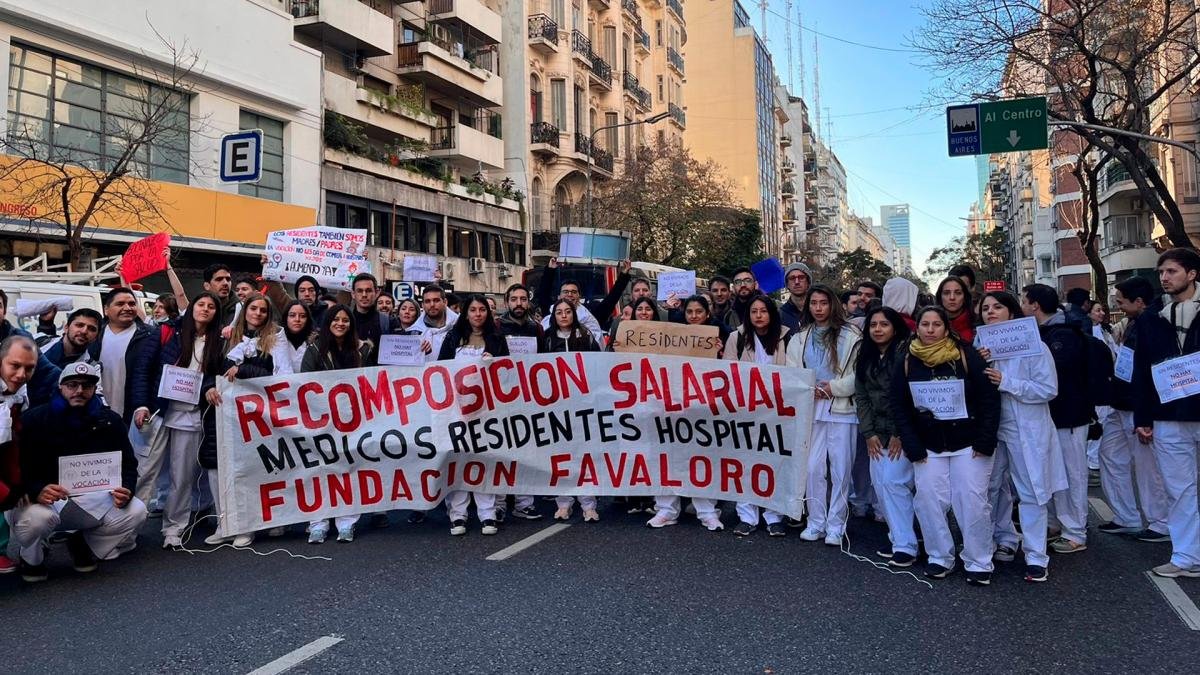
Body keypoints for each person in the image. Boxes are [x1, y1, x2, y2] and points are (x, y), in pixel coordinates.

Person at [892, 305, 1000, 585]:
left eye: (936, 324)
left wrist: (985, 440)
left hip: (969, 443)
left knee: (972, 502)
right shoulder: (906, 360)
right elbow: (899, 407)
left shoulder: (968, 356)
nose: (930, 330)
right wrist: (912, 445)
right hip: (928, 446)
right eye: (925, 324)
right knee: (928, 501)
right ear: (918, 327)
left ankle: (978, 560)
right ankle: (939, 557)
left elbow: (989, 400)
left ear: (946, 327)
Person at [10, 362, 147, 582]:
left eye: (86, 385)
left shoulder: (110, 421)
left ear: (94, 389)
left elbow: (128, 465)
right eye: (72, 385)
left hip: (93, 500)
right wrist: (36, 489)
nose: (79, 391)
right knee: (35, 520)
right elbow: (16, 467)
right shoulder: (34, 420)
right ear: (60, 386)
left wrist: (127, 490)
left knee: (137, 510)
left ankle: (84, 544)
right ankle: (31, 557)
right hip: (48, 502)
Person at [977, 291, 1068, 582]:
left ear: (1012, 313)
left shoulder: (1035, 348)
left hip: (1025, 431)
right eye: (985, 308)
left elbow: (1047, 389)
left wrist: (1007, 382)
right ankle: (991, 544)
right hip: (991, 430)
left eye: (998, 307)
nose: (990, 312)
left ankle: (1036, 557)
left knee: (1030, 494)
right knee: (988, 489)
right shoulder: (979, 348)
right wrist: (977, 367)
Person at [1132, 248, 1200, 578]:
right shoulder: (1150, 318)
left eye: (1171, 271)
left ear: (1191, 274)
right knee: (1179, 489)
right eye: (1161, 272)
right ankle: (1186, 556)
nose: (1164, 277)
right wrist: (1142, 419)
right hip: (1168, 416)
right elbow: (1142, 371)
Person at [207, 294, 293, 546]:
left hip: (260, 415)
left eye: (262, 310)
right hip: (228, 412)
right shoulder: (229, 337)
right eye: (253, 308)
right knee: (228, 468)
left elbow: (281, 377)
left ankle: (253, 524)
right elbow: (214, 370)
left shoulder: (276, 340)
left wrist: (244, 370)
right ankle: (228, 523)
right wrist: (210, 387)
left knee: (255, 468)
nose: (257, 313)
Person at [1021, 283, 1097, 556]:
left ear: (1035, 306)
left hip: (1070, 416)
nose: (1021, 306)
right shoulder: (1044, 333)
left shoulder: (1062, 335)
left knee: (1072, 474)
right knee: (1053, 473)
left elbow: (1058, 378)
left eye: (1023, 301)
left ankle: (1075, 531)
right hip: (1052, 416)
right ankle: (1056, 524)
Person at [786, 284, 862, 546]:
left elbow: (857, 375)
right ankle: (815, 521)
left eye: (823, 303)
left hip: (842, 409)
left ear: (832, 305)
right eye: (813, 303)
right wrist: (809, 388)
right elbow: (793, 370)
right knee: (813, 467)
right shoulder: (799, 337)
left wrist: (832, 388)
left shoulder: (852, 336)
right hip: (812, 408)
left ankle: (836, 524)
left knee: (841, 468)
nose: (818, 308)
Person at [1097, 277, 1169, 542]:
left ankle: (1161, 522)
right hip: (1121, 401)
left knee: (1147, 467)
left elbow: (1147, 370)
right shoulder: (1136, 323)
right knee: (1110, 455)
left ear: (1139, 302)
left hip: (1138, 405)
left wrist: (1144, 412)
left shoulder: (1154, 325)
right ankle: (1126, 516)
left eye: (1121, 302)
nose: (1118, 307)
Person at [300, 305, 373, 544]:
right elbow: (303, 384)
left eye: (345, 320)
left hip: (352, 421)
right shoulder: (313, 350)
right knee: (319, 472)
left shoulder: (362, 351)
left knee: (349, 471)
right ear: (328, 322)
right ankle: (318, 523)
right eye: (336, 319)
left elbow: (370, 383)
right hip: (320, 422)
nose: (340, 323)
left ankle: (346, 522)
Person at [438, 295, 509, 536]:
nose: (478, 314)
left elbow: (509, 375)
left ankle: (487, 513)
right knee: (458, 462)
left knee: (483, 461)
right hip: (455, 412)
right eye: (473, 310)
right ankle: (458, 515)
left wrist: (496, 364)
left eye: (482, 310)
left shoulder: (497, 340)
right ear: (465, 313)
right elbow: (439, 372)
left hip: (486, 413)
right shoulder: (452, 338)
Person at [158, 292, 225, 549]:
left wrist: (208, 385)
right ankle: (165, 528)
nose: (205, 309)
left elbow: (216, 373)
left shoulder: (218, 342)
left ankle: (188, 522)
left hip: (199, 414)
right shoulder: (174, 335)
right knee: (167, 473)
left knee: (195, 473)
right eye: (201, 304)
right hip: (170, 412)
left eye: (211, 306)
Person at [854, 306, 917, 567]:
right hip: (875, 434)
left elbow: (907, 398)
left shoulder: (906, 355)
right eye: (873, 325)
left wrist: (898, 433)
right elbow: (863, 396)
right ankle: (899, 537)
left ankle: (906, 546)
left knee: (894, 483)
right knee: (880, 485)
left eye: (884, 324)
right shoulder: (866, 356)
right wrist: (868, 433)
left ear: (895, 327)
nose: (878, 329)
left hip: (901, 432)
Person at [724, 296, 792, 536]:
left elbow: (794, 372)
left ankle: (774, 515)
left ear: (772, 313)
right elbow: (728, 371)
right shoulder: (737, 338)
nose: (759, 316)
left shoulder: (787, 337)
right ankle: (746, 515)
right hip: (746, 410)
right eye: (754, 311)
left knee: (774, 463)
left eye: (764, 311)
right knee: (745, 462)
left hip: (777, 410)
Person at [540, 299, 602, 523]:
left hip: (583, 405)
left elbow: (597, 366)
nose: (564, 316)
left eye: (568, 312)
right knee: (560, 456)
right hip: (556, 406)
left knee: (585, 455)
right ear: (553, 316)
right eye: (559, 312)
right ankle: (563, 503)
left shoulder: (585, 335)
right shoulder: (547, 338)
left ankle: (589, 504)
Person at [87, 287, 161, 430]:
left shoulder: (151, 336)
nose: (127, 308)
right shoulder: (94, 334)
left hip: (134, 414)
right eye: (120, 304)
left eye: (132, 304)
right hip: (97, 410)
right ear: (106, 309)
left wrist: (144, 405)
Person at [0, 334, 37, 574]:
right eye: (15, 366)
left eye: (29, 368)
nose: (21, 374)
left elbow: (14, 437)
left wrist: (17, 481)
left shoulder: (20, 393)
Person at [535, 257, 632, 339]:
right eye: (565, 292)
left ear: (579, 296)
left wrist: (624, 275)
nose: (569, 295)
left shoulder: (590, 316)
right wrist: (550, 270)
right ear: (559, 296)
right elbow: (543, 293)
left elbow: (611, 300)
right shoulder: (550, 312)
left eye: (573, 292)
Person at [0, 290, 61, 406]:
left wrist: (71, 385)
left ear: (4, 311)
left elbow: (48, 373)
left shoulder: (22, 337)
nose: (20, 374)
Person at [350, 273, 400, 364]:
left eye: (368, 290)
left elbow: (401, 351)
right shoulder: (344, 322)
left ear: (377, 293)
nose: (364, 295)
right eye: (360, 291)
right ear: (353, 294)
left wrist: (420, 347)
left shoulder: (389, 322)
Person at [412, 285, 459, 362]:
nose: (432, 305)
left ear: (445, 302)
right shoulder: (414, 332)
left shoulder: (459, 327)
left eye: (436, 300)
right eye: (427, 301)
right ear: (422, 305)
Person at [937, 276, 975, 342]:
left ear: (965, 297)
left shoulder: (977, 326)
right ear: (940, 297)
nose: (952, 297)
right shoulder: (931, 327)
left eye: (958, 293)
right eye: (946, 293)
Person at [280, 300, 314, 374]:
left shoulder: (316, 342)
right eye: (292, 315)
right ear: (286, 318)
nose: (297, 319)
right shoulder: (276, 340)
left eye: (302, 316)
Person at [779, 262, 813, 331]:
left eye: (801, 277)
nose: (797, 282)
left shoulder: (818, 311)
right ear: (787, 284)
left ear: (808, 282)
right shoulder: (780, 315)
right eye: (792, 278)